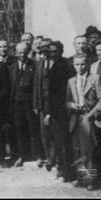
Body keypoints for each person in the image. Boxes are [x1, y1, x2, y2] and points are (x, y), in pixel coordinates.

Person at [66, 54, 101, 190]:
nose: (80, 67)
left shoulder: (95, 79)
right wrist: (71, 105)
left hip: (88, 118)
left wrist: (91, 115)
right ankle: (80, 178)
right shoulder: (71, 81)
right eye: (77, 64)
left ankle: (90, 180)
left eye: (82, 64)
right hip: (75, 118)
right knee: (76, 149)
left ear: (88, 64)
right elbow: (66, 101)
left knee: (88, 150)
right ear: (73, 65)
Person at [42, 40, 76, 182]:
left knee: (64, 142)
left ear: (61, 51)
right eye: (50, 51)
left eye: (55, 51)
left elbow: (65, 92)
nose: (52, 54)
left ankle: (67, 173)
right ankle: (62, 169)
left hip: (63, 110)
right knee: (58, 141)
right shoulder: (50, 64)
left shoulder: (66, 65)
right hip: (55, 110)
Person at [8, 43, 40, 167]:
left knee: (33, 129)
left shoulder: (35, 65)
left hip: (30, 103)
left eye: (24, 52)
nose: (22, 55)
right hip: (16, 103)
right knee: (19, 130)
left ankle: (36, 155)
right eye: (19, 52)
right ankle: (22, 155)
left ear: (28, 52)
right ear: (16, 53)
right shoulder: (11, 67)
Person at [33, 37, 55, 170]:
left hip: (54, 104)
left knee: (54, 133)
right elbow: (37, 84)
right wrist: (36, 103)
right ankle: (49, 158)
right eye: (43, 47)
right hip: (42, 104)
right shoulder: (40, 63)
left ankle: (55, 159)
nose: (45, 49)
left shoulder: (58, 63)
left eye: (48, 47)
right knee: (44, 133)